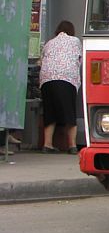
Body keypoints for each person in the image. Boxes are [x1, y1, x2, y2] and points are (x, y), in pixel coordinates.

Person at [39, 20, 82, 154]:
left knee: (50, 112)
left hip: (47, 79)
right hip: (66, 78)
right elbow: (79, 60)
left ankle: (47, 144)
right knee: (69, 112)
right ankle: (72, 146)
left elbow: (41, 61)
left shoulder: (49, 43)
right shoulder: (75, 41)